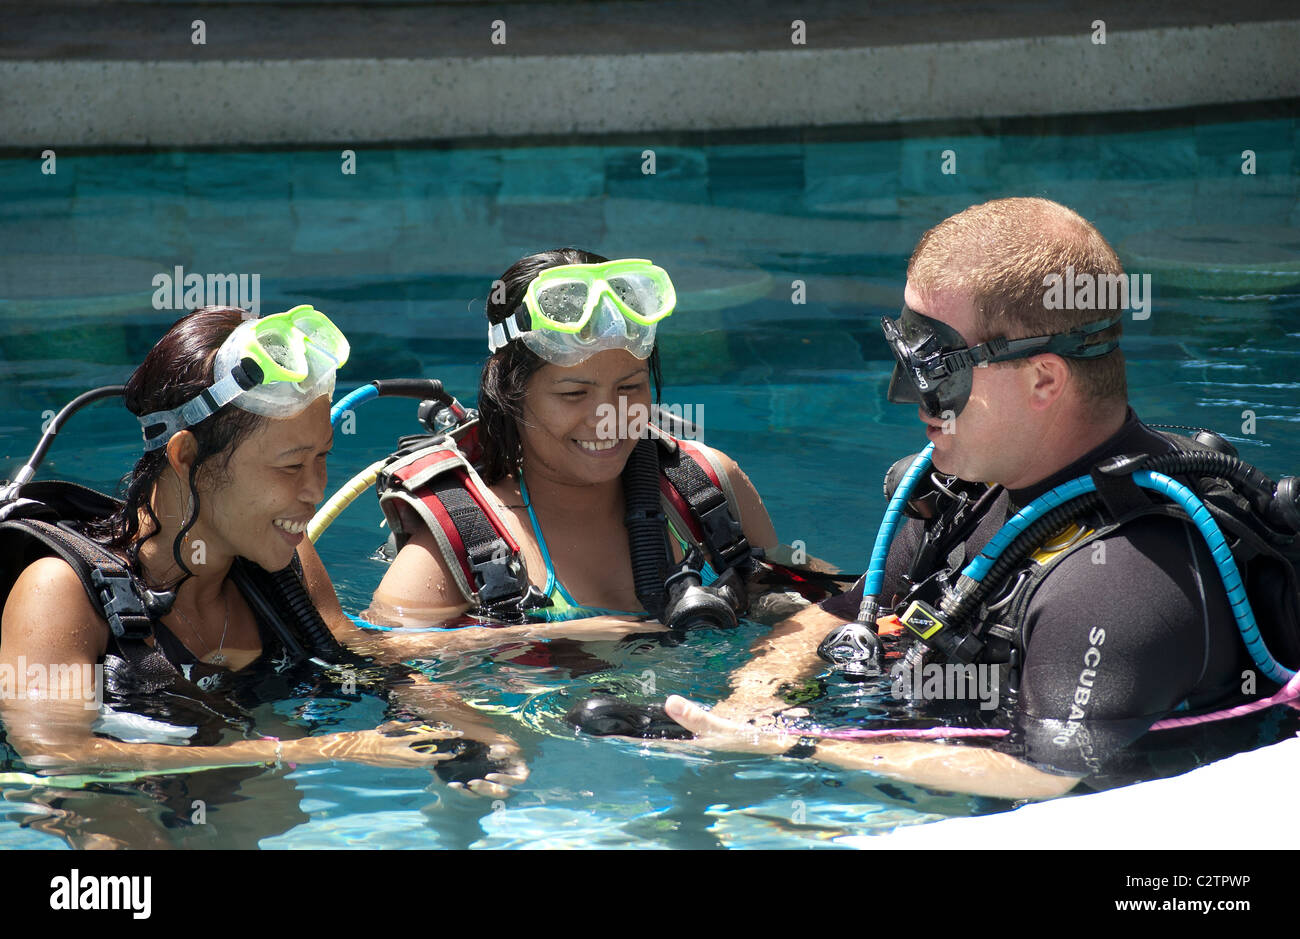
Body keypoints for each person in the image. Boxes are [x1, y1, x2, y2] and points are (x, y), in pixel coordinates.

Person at [658, 197, 1299, 800]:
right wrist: (751, 701)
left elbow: (1043, 778)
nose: (907, 397)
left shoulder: (1124, 579)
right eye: (905, 358)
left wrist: (793, 745)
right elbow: (838, 613)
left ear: (1044, 377)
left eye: (938, 370)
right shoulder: (966, 486)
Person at [0, 305, 524, 796]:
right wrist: (325, 749)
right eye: (290, 466)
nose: (315, 489)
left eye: (323, 457)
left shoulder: (285, 560)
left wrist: (470, 729)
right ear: (186, 457)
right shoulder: (61, 594)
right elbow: (58, 753)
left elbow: (365, 656)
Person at [365, 249, 808, 646]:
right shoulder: (463, 542)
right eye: (574, 394)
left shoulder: (705, 490)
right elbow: (383, 655)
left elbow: (804, 597)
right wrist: (555, 637)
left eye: (630, 387)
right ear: (512, 392)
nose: (609, 416)